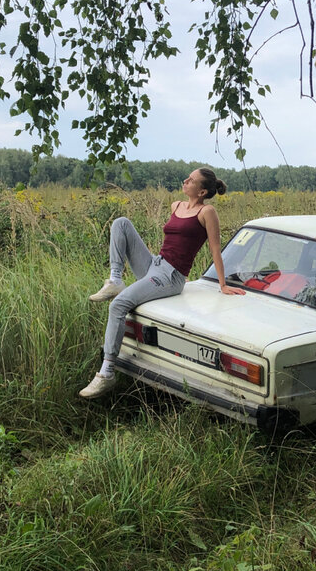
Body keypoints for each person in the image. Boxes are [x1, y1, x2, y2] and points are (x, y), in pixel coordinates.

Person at [79, 168, 244, 398]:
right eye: (187, 177)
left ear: (202, 190)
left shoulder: (207, 212)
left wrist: (223, 285)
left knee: (117, 305)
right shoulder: (176, 206)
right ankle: (116, 278)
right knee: (121, 223)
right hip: (154, 264)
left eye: (192, 180)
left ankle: (106, 372)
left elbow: (216, 250)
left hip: (171, 276)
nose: (185, 180)